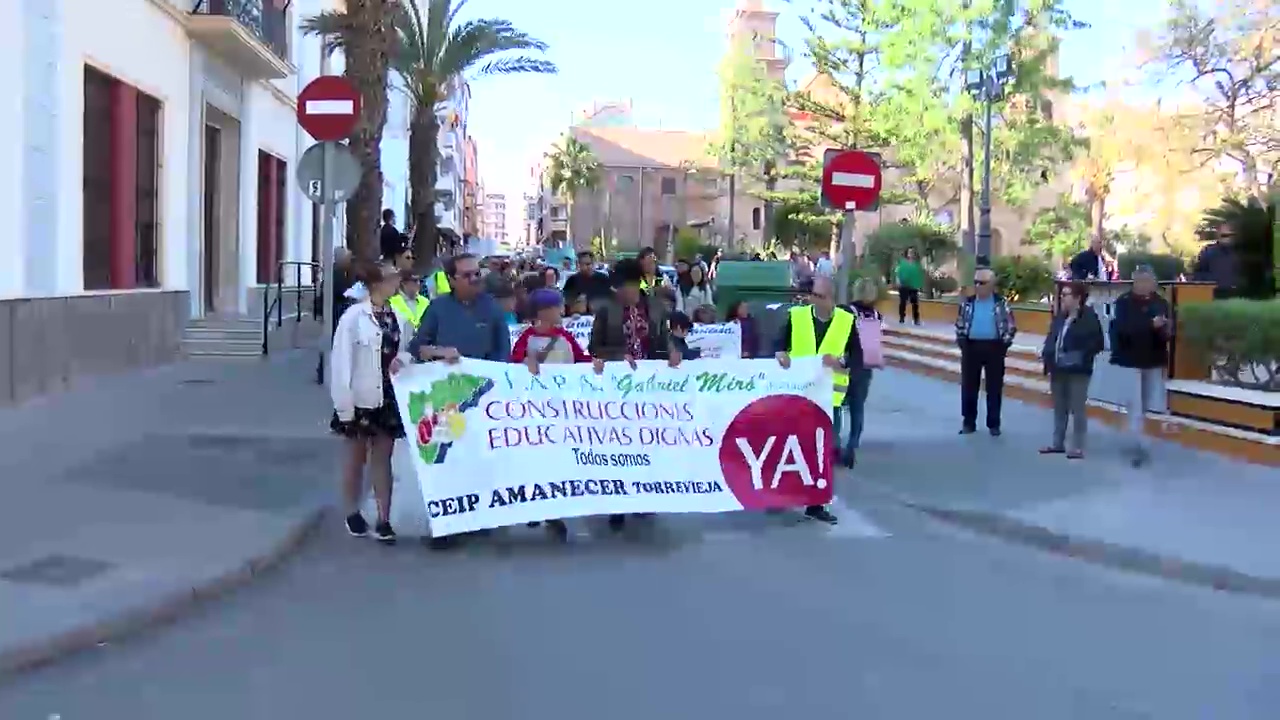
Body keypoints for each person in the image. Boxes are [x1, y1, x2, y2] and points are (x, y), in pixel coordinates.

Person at [407, 253, 512, 548]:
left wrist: (490, 379)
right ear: (452, 280)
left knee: (477, 460)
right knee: (445, 462)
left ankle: (477, 518)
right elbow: (418, 347)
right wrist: (441, 352)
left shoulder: (490, 308)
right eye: (467, 275)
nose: (475, 279)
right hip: (445, 401)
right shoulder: (438, 309)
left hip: (481, 399)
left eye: (477, 273)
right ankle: (446, 525)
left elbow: (503, 350)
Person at [588, 258, 679, 532]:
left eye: (626, 287)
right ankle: (617, 503)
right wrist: (617, 356)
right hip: (618, 389)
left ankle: (643, 495)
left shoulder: (656, 308)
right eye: (618, 288)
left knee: (646, 442)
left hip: (650, 387)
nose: (622, 292)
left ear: (636, 284)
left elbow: (665, 340)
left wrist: (673, 352)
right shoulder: (606, 311)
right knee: (619, 446)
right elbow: (595, 348)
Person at [330, 260, 414, 545]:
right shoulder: (353, 317)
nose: (397, 281)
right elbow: (341, 362)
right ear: (377, 283)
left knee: (383, 458)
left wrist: (402, 361)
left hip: (387, 397)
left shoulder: (397, 316)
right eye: (392, 277)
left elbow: (405, 350)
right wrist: (345, 407)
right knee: (356, 458)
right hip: (360, 397)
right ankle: (352, 511)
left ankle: (384, 519)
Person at [773, 275, 861, 524]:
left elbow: (857, 357)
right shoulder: (797, 316)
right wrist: (780, 352)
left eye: (820, 296)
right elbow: (779, 343)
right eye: (813, 294)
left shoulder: (846, 321)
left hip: (829, 399)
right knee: (790, 446)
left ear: (831, 298)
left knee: (824, 452)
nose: (814, 299)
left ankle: (816, 503)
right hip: (798, 395)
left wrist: (841, 362)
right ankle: (781, 493)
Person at [511, 288, 592, 543]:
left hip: (562, 409)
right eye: (558, 307)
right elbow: (512, 365)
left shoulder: (565, 336)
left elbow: (582, 360)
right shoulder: (527, 339)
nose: (562, 310)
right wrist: (524, 364)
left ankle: (552, 510)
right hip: (535, 410)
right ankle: (539, 504)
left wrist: (598, 364)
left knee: (556, 458)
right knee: (537, 459)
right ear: (544, 311)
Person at [1109, 265, 1171, 467]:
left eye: (1150, 281)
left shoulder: (1160, 303)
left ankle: (1138, 433)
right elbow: (1124, 330)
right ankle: (1140, 447)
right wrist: (1149, 326)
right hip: (1130, 360)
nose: (1146, 285)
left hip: (1153, 359)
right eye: (1142, 281)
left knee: (1145, 402)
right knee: (1134, 403)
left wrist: (1165, 329)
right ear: (1135, 283)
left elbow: (1168, 329)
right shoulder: (1124, 303)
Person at [1039, 281, 1105, 459]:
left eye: (1066, 295)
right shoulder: (1060, 317)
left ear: (1077, 298)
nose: (1062, 298)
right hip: (1058, 368)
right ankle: (1057, 443)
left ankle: (1078, 446)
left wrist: (1079, 354)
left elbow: (1098, 343)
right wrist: (1047, 354)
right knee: (1059, 407)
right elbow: (1052, 338)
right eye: (1061, 295)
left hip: (1078, 369)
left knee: (1077, 407)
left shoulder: (1089, 318)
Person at [954, 266, 1018, 436]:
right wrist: (962, 341)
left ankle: (994, 424)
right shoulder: (968, 302)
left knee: (994, 388)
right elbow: (960, 323)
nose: (977, 286)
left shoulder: (1000, 303)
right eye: (975, 282)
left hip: (994, 348)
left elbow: (1011, 325)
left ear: (991, 284)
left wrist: (1003, 345)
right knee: (969, 387)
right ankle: (969, 422)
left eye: (981, 283)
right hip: (971, 347)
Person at [843, 278, 884, 467]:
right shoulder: (876, 314)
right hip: (866, 364)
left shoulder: (846, 311)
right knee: (858, 407)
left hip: (846, 363)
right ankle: (854, 442)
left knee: (836, 404)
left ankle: (834, 443)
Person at [1192, 222, 1240, 299]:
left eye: (1229, 235)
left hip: (1231, 294)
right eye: (1224, 235)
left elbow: (1238, 273)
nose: (1227, 238)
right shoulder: (1208, 252)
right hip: (1212, 294)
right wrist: (1212, 281)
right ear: (1218, 235)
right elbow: (1198, 274)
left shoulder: (1236, 254)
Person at [894, 248, 924, 325]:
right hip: (904, 285)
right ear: (907, 253)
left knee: (915, 302)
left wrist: (919, 285)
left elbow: (919, 275)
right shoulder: (903, 263)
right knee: (903, 302)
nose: (911, 253)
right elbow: (897, 271)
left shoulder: (916, 264)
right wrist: (898, 281)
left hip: (913, 286)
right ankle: (902, 317)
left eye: (913, 252)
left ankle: (916, 319)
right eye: (910, 252)